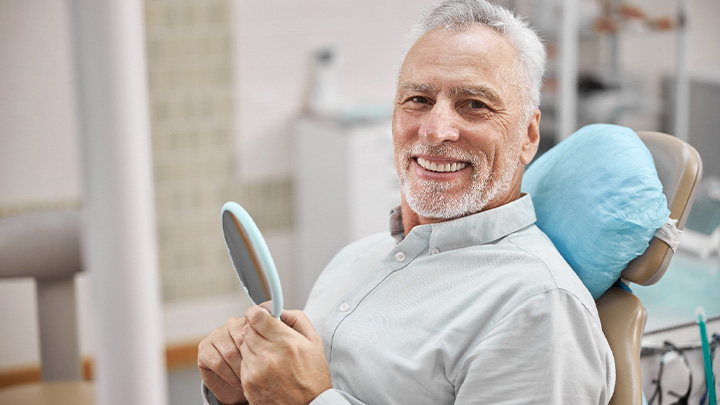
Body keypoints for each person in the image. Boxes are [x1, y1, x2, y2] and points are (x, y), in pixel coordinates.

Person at [198, 0, 616, 403]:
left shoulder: (537, 309)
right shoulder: (354, 259)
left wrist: (309, 401)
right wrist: (245, 391)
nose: (435, 131)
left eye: (474, 105)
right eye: (418, 100)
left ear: (527, 135)